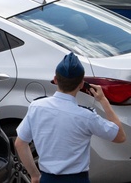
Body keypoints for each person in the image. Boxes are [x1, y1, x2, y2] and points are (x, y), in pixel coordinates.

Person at [15, 52, 126, 183]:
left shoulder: (36, 107)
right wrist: (103, 100)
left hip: (47, 179)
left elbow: (20, 143)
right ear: (81, 84)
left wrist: (34, 175)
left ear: (55, 79)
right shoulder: (86, 116)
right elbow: (120, 136)